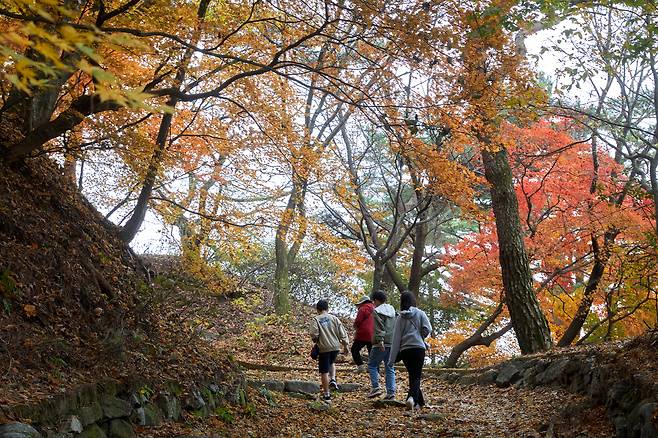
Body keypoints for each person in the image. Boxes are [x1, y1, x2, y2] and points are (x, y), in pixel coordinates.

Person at [388, 291, 432, 411]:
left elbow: (396, 340)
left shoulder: (399, 318)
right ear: (413, 300)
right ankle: (412, 398)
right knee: (416, 376)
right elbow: (428, 328)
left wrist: (391, 360)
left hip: (405, 351)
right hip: (418, 349)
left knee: (413, 375)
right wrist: (422, 334)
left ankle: (419, 403)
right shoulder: (420, 313)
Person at [310, 299, 349, 401]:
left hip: (324, 348)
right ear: (327, 308)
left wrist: (316, 340)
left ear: (317, 309)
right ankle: (333, 379)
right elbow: (342, 333)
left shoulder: (316, 319)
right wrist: (346, 346)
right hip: (335, 347)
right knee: (331, 362)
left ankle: (327, 394)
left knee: (324, 371)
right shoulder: (334, 318)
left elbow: (314, 334)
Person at [367, 290, 396, 399]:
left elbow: (379, 327)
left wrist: (380, 340)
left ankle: (376, 387)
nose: (373, 303)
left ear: (376, 300)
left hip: (380, 343)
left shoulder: (377, 311)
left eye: (373, 301)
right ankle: (391, 391)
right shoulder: (393, 310)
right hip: (392, 342)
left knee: (372, 364)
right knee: (389, 367)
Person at [351, 296, 374, 372]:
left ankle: (361, 367)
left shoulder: (363, 308)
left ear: (362, 303)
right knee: (371, 351)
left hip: (363, 333)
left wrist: (355, 326)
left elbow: (358, 321)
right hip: (373, 333)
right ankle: (371, 368)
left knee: (354, 349)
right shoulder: (375, 308)